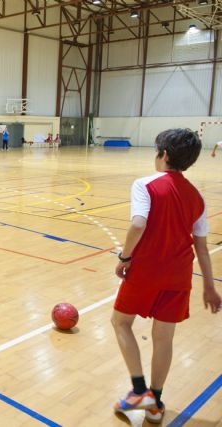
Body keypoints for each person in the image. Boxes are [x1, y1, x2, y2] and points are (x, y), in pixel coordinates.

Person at [111, 129, 221, 424]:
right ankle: (155, 403)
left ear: (164, 154)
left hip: (146, 271)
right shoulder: (197, 197)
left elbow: (138, 224)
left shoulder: (145, 184)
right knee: (164, 338)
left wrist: (125, 257)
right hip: (179, 275)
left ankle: (139, 392)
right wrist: (209, 287)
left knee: (120, 322)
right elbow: (202, 247)